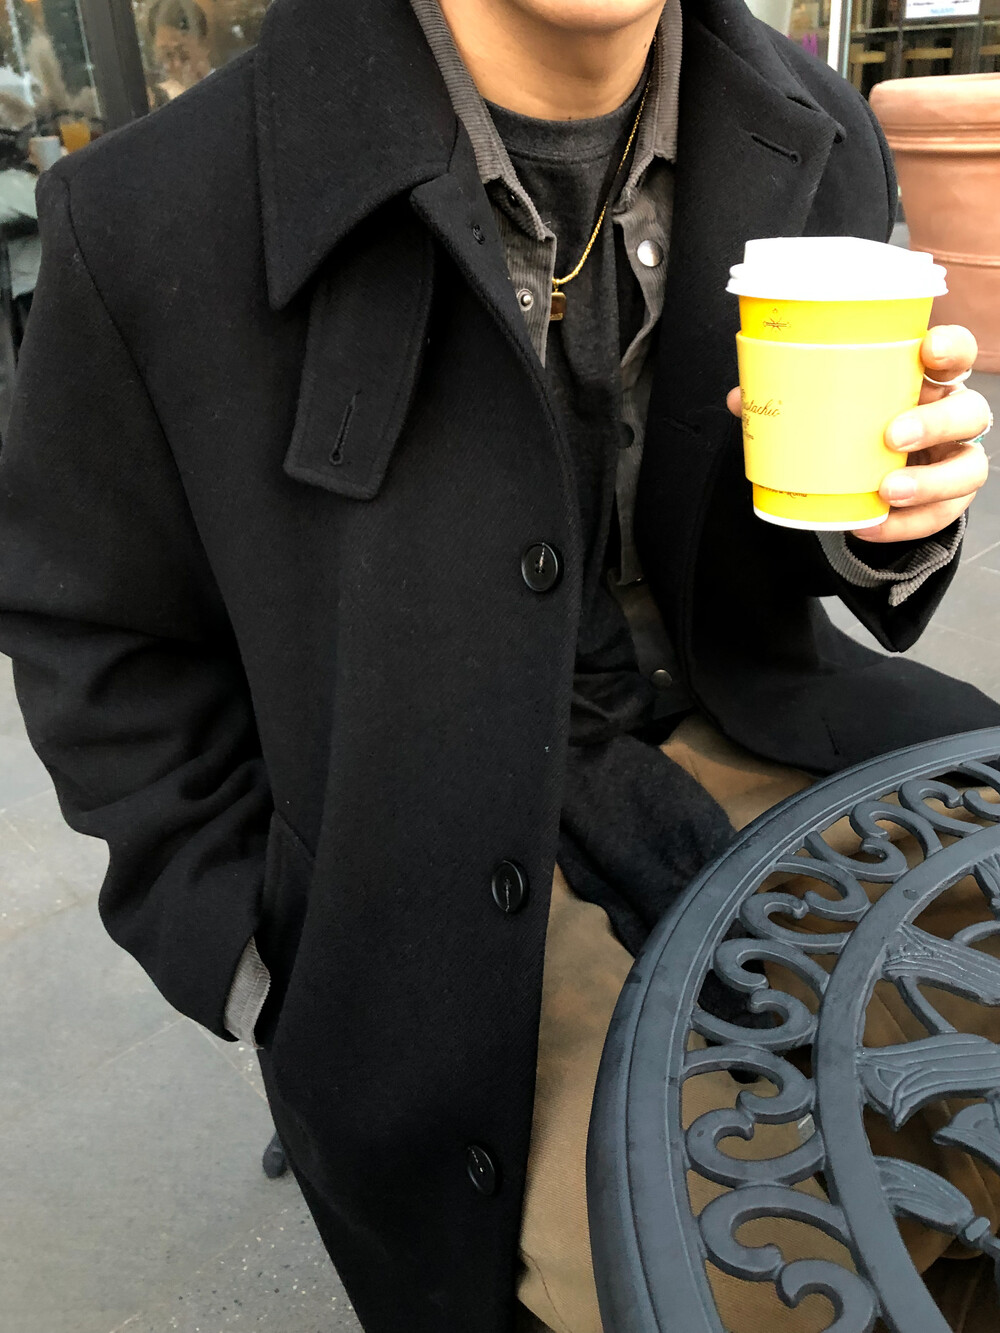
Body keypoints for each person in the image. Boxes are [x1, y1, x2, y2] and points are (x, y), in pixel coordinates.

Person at [0, 0, 995, 1329]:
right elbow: (93, 629)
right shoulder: (147, 216)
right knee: (738, 1283)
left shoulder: (815, 131)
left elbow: (805, 533)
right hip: (413, 854)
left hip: (781, 740)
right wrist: (255, 944)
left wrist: (892, 523)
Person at [146, 0, 212, 100]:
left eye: (184, 55)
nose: (177, 64)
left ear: (204, 45)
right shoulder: (160, 99)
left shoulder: (225, 85)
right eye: (168, 55)